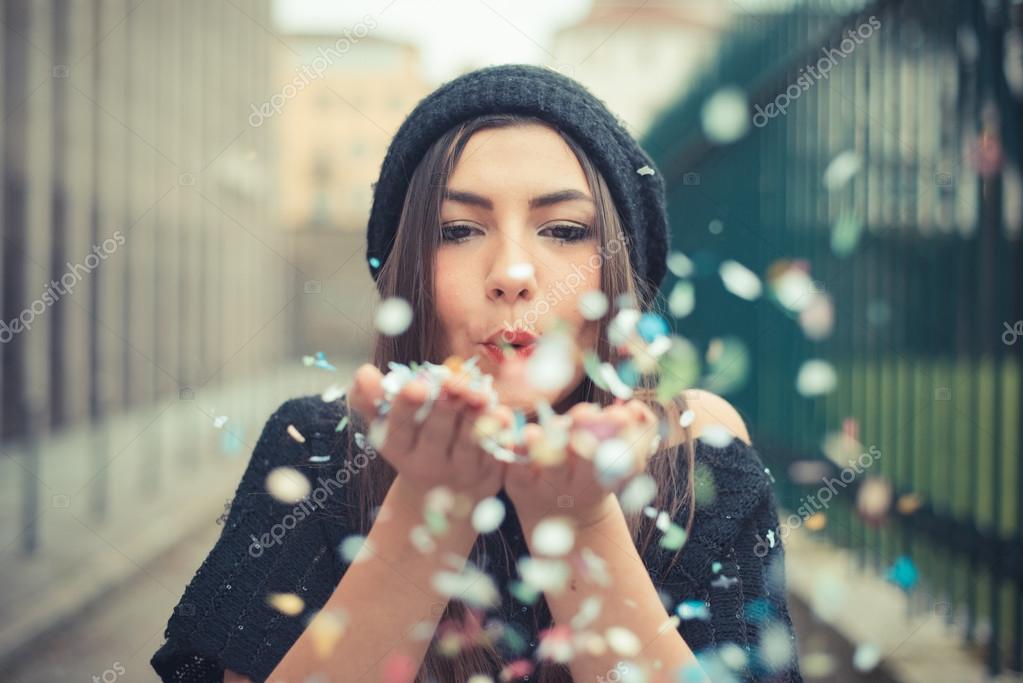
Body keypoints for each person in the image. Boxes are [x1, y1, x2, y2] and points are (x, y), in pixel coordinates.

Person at [151, 63, 804, 683]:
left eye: (565, 229)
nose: (512, 274)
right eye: (459, 229)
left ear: (619, 272)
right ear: (406, 271)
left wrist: (578, 525)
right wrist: (430, 503)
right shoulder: (317, 448)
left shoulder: (693, 458)